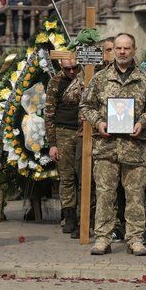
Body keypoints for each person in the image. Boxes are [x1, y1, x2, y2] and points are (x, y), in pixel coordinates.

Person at [79, 33, 146, 256]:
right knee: (105, 194)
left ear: (134, 50)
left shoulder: (145, 80)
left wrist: (143, 122)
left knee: (135, 196)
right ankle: (103, 239)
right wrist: (98, 122)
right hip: (107, 147)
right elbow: (85, 105)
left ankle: (134, 239)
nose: (122, 52)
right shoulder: (100, 79)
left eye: (127, 48)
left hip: (135, 148)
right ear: (113, 50)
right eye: (118, 48)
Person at [44, 52, 85, 238]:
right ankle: (69, 216)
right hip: (63, 132)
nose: (71, 71)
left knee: (84, 175)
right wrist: (52, 143)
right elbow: (49, 114)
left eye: (75, 67)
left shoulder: (87, 77)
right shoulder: (55, 82)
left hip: (84, 131)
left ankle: (83, 215)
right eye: (67, 68)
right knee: (66, 176)